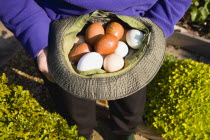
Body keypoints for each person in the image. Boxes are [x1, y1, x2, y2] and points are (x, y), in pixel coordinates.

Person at [0, 0, 191, 139]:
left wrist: (158, 23)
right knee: (75, 109)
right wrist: (36, 34)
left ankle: (125, 132)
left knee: (131, 100)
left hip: (136, 24)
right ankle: (83, 134)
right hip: (60, 30)